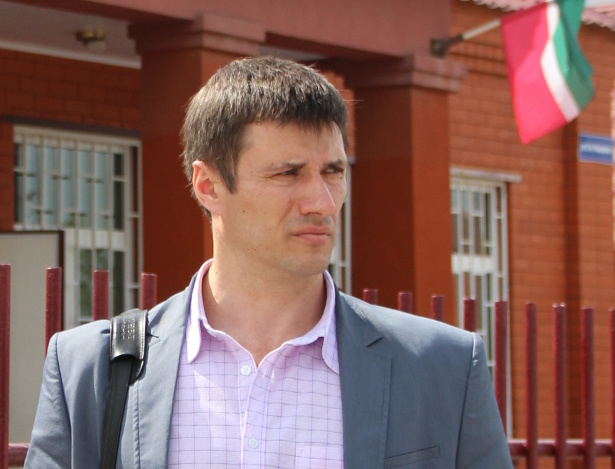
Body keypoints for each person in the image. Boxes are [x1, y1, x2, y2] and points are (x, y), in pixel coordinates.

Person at [25, 56, 513, 468]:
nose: (322, 201)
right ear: (208, 186)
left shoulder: (443, 370)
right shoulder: (89, 370)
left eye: (333, 171)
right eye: (288, 174)